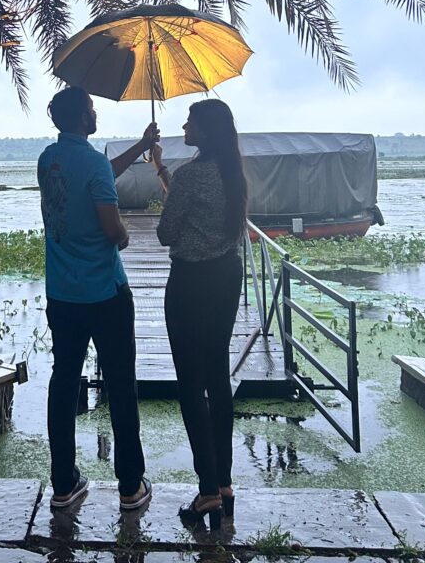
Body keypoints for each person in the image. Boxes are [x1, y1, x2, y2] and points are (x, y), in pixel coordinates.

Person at [38, 85, 157, 511]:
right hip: (105, 294)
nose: (96, 114)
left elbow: (98, 173)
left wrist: (142, 145)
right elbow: (112, 228)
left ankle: (63, 484)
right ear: (80, 116)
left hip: (62, 295)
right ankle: (130, 485)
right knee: (121, 384)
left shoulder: (48, 160)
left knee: (63, 382)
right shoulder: (92, 165)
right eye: (91, 109)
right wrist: (123, 237)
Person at [151, 99, 246, 530]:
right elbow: (199, 209)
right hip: (226, 277)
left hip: (190, 283)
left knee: (191, 385)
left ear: (205, 131)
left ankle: (206, 491)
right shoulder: (232, 171)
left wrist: (169, 192)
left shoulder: (191, 176)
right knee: (217, 379)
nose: (185, 125)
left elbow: (166, 232)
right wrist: (162, 170)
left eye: (190, 121)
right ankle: (223, 484)